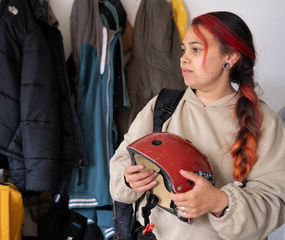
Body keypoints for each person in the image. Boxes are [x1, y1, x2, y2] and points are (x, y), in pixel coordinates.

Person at [109, 11, 285, 239]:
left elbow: (275, 202)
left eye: (196, 49)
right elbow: (123, 156)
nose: (183, 58)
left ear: (229, 58)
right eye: (184, 50)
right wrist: (128, 177)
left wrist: (220, 202)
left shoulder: (264, 121)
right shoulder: (163, 105)